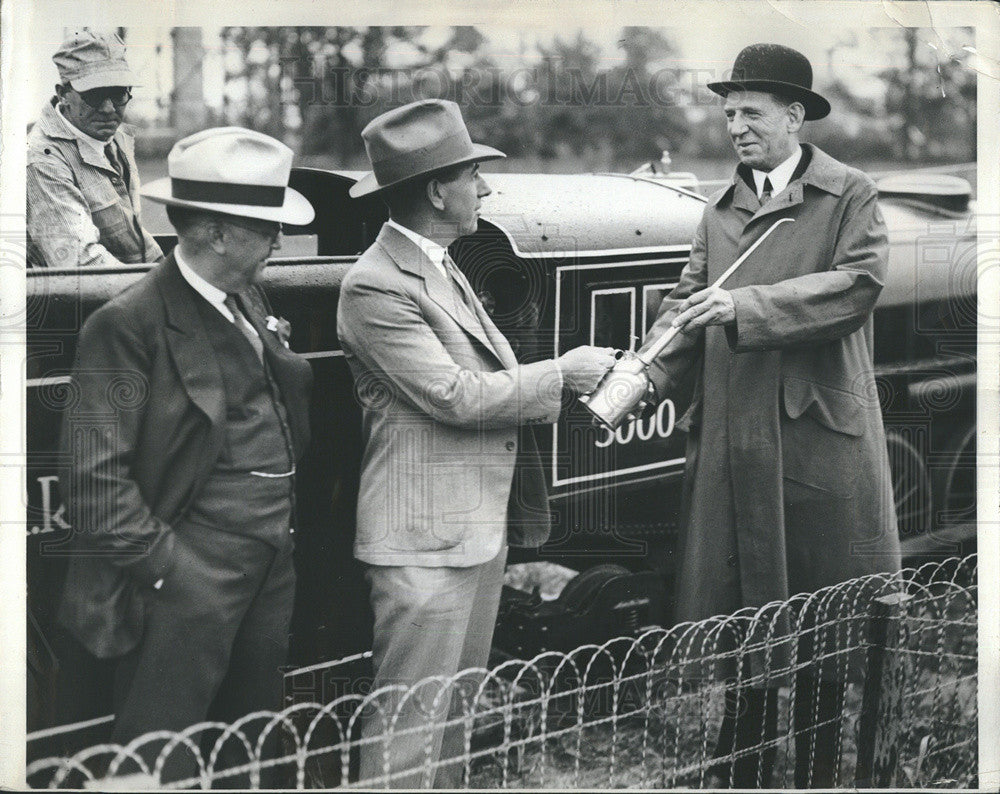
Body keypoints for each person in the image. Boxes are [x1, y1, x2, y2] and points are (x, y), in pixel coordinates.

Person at [639, 44, 901, 788]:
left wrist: (744, 305)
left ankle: (814, 772)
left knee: (821, 617)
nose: (736, 125)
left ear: (795, 117)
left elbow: (859, 283)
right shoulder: (718, 212)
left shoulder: (849, 193)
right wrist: (636, 380)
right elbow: (685, 306)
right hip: (735, 439)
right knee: (745, 617)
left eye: (751, 112)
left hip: (816, 439)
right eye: (728, 112)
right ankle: (744, 769)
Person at [337, 99, 616, 788]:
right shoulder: (375, 286)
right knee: (408, 738)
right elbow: (456, 396)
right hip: (426, 542)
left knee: (453, 727)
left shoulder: (438, 263)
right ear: (437, 190)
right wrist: (563, 371)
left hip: (467, 536)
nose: (485, 190)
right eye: (473, 176)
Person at [57, 127, 314, 783]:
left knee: (253, 745)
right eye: (267, 227)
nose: (280, 242)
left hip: (269, 560)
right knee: (157, 758)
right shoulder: (124, 325)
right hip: (185, 575)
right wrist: (173, 571)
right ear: (218, 234)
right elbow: (91, 482)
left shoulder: (248, 300)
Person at [27, 28, 162, 268]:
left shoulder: (114, 138)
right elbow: (79, 262)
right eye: (95, 95)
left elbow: (133, 236)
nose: (110, 109)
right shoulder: (42, 159)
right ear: (63, 95)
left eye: (119, 93)